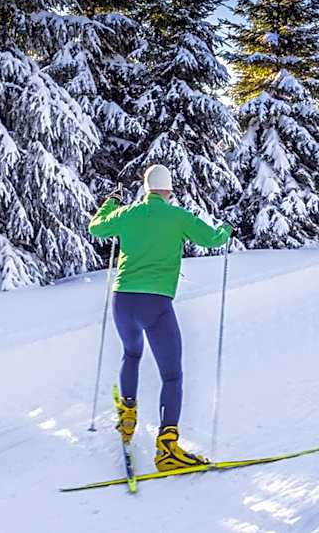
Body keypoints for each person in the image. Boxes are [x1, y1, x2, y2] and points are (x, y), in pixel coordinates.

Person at [88, 164, 232, 471]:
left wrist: (111, 202)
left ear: (146, 188)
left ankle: (127, 418)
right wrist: (225, 231)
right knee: (172, 375)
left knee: (131, 353)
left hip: (123, 301)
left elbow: (96, 227)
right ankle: (167, 448)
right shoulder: (178, 216)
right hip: (155, 305)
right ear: (169, 189)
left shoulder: (127, 214)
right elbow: (212, 240)